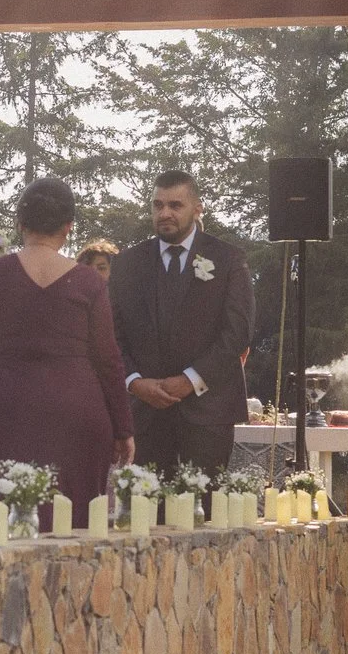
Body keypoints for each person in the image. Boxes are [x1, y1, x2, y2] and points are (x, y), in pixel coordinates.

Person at [0, 176, 134, 526]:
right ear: (68, 227)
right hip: (75, 412)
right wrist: (123, 427)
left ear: (20, 223)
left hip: (3, 408)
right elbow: (108, 359)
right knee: (72, 524)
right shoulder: (88, 283)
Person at [107, 169, 256, 477]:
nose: (165, 213)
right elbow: (111, 334)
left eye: (175, 205)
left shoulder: (227, 259)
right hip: (144, 412)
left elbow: (237, 332)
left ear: (197, 208)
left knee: (203, 513)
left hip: (207, 410)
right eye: (157, 205)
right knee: (144, 516)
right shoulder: (127, 263)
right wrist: (134, 382)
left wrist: (190, 379)